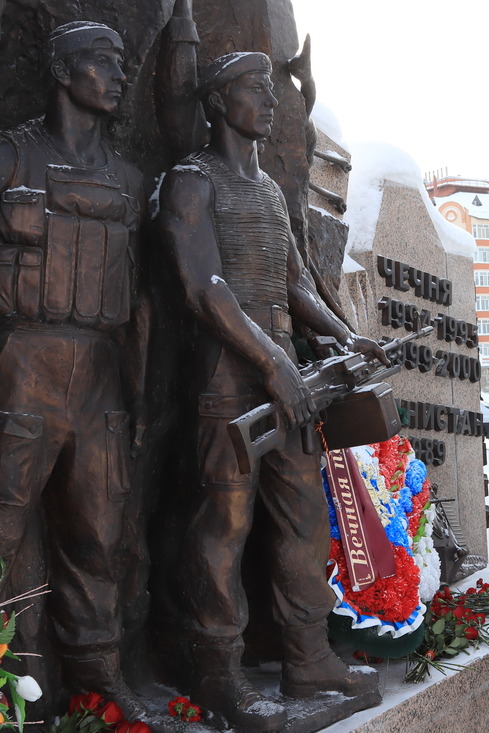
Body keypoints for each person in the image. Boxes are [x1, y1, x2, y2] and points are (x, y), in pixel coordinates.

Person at [158, 52, 384, 730]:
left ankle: (308, 656)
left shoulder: (268, 193)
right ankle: (220, 673)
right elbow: (205, 288)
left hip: (289, 383)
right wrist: (269, 360)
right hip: (229, 385)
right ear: (218, 100)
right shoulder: (190, 183)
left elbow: (296, 284)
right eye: (256, 88)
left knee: (303, 521)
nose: (271, 100)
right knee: (224, 529)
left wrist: (347, 336)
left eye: (272, 88)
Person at [0, 21, 147, 718]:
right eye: (102, 61)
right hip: (21, 369)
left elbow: (144, 300)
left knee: (100, 533)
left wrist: (142, 397)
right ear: (63, 70)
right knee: (4, 529)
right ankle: (20, 680)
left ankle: (98, 683)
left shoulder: (130, 179)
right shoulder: (9, 159)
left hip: (98, 376)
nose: (118, 76)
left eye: (122, 64)